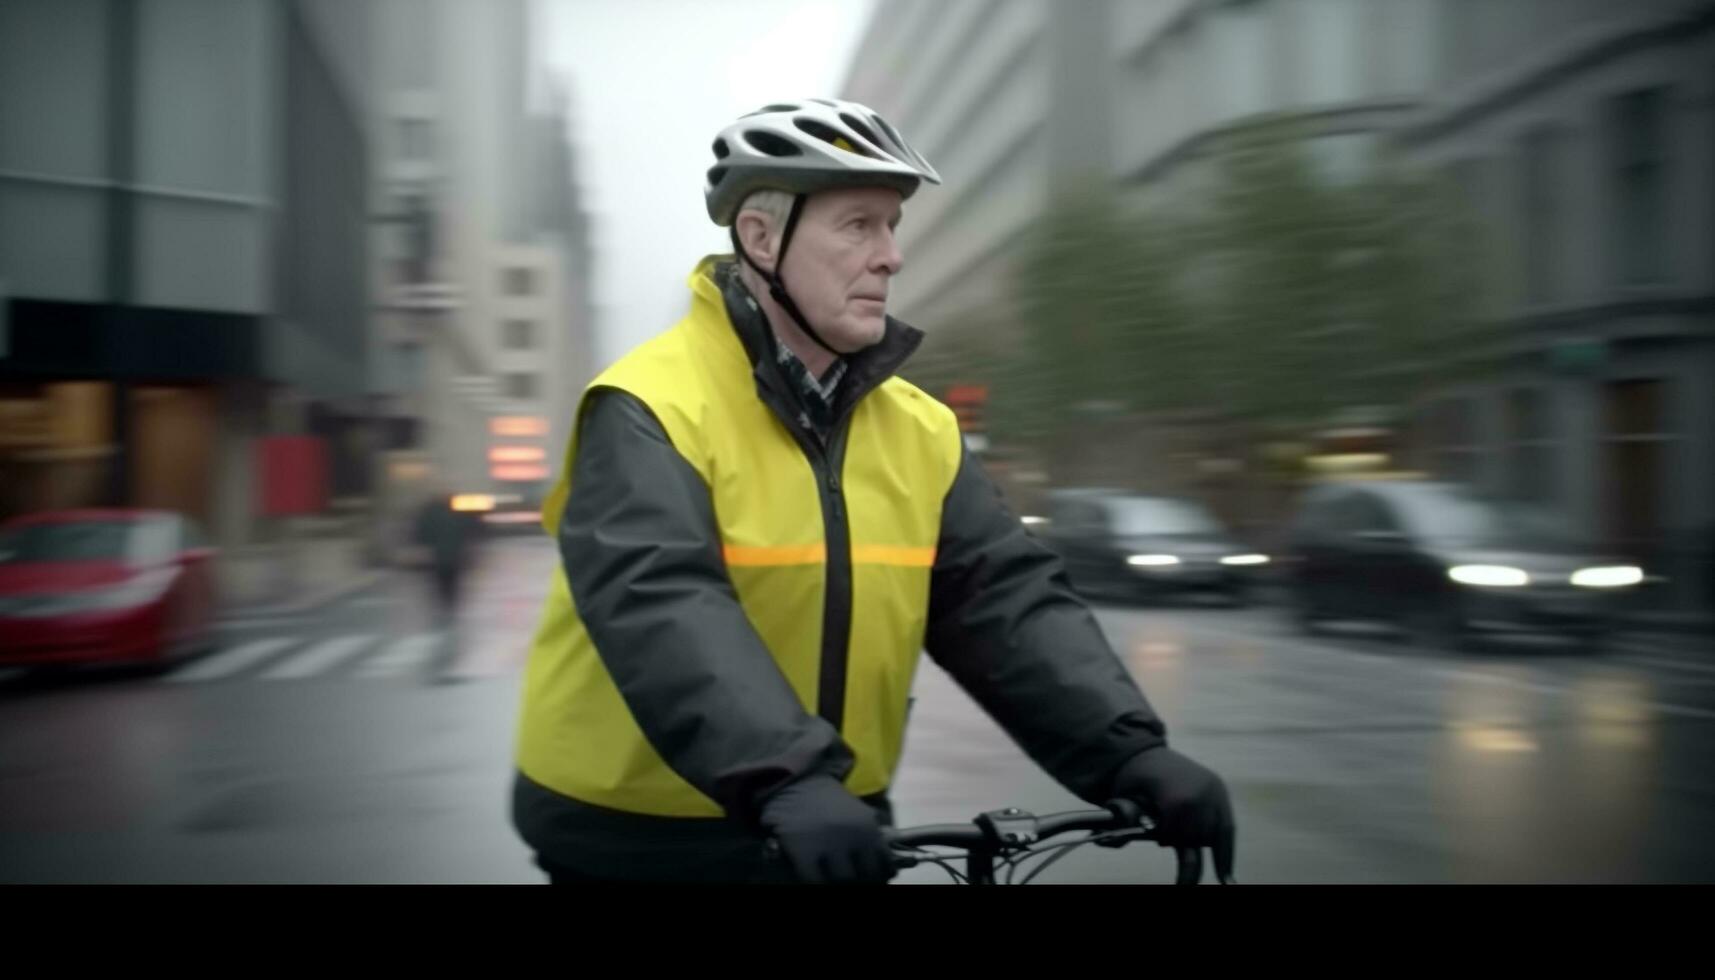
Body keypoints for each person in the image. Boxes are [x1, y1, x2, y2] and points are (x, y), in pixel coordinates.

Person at [512, 98, 1235, 884]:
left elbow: (1000, 600)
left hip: (831, 823)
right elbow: (660, 602)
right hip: (638, 833)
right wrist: (786, 777)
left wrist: (1127, 753)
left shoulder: (919, 429)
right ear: (761, 239)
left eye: (892, 226)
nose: (890, 256)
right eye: (858, 225)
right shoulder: (650, 406)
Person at [411, 486, 482, 677]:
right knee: (453, 586)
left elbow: (420, 533)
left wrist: (421, 549)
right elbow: (472, 530)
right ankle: (450, 610)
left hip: (439, 559)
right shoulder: (457, 514)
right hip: (454, 559)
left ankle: (445, 610)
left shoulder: (430, 513)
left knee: (441, 585)